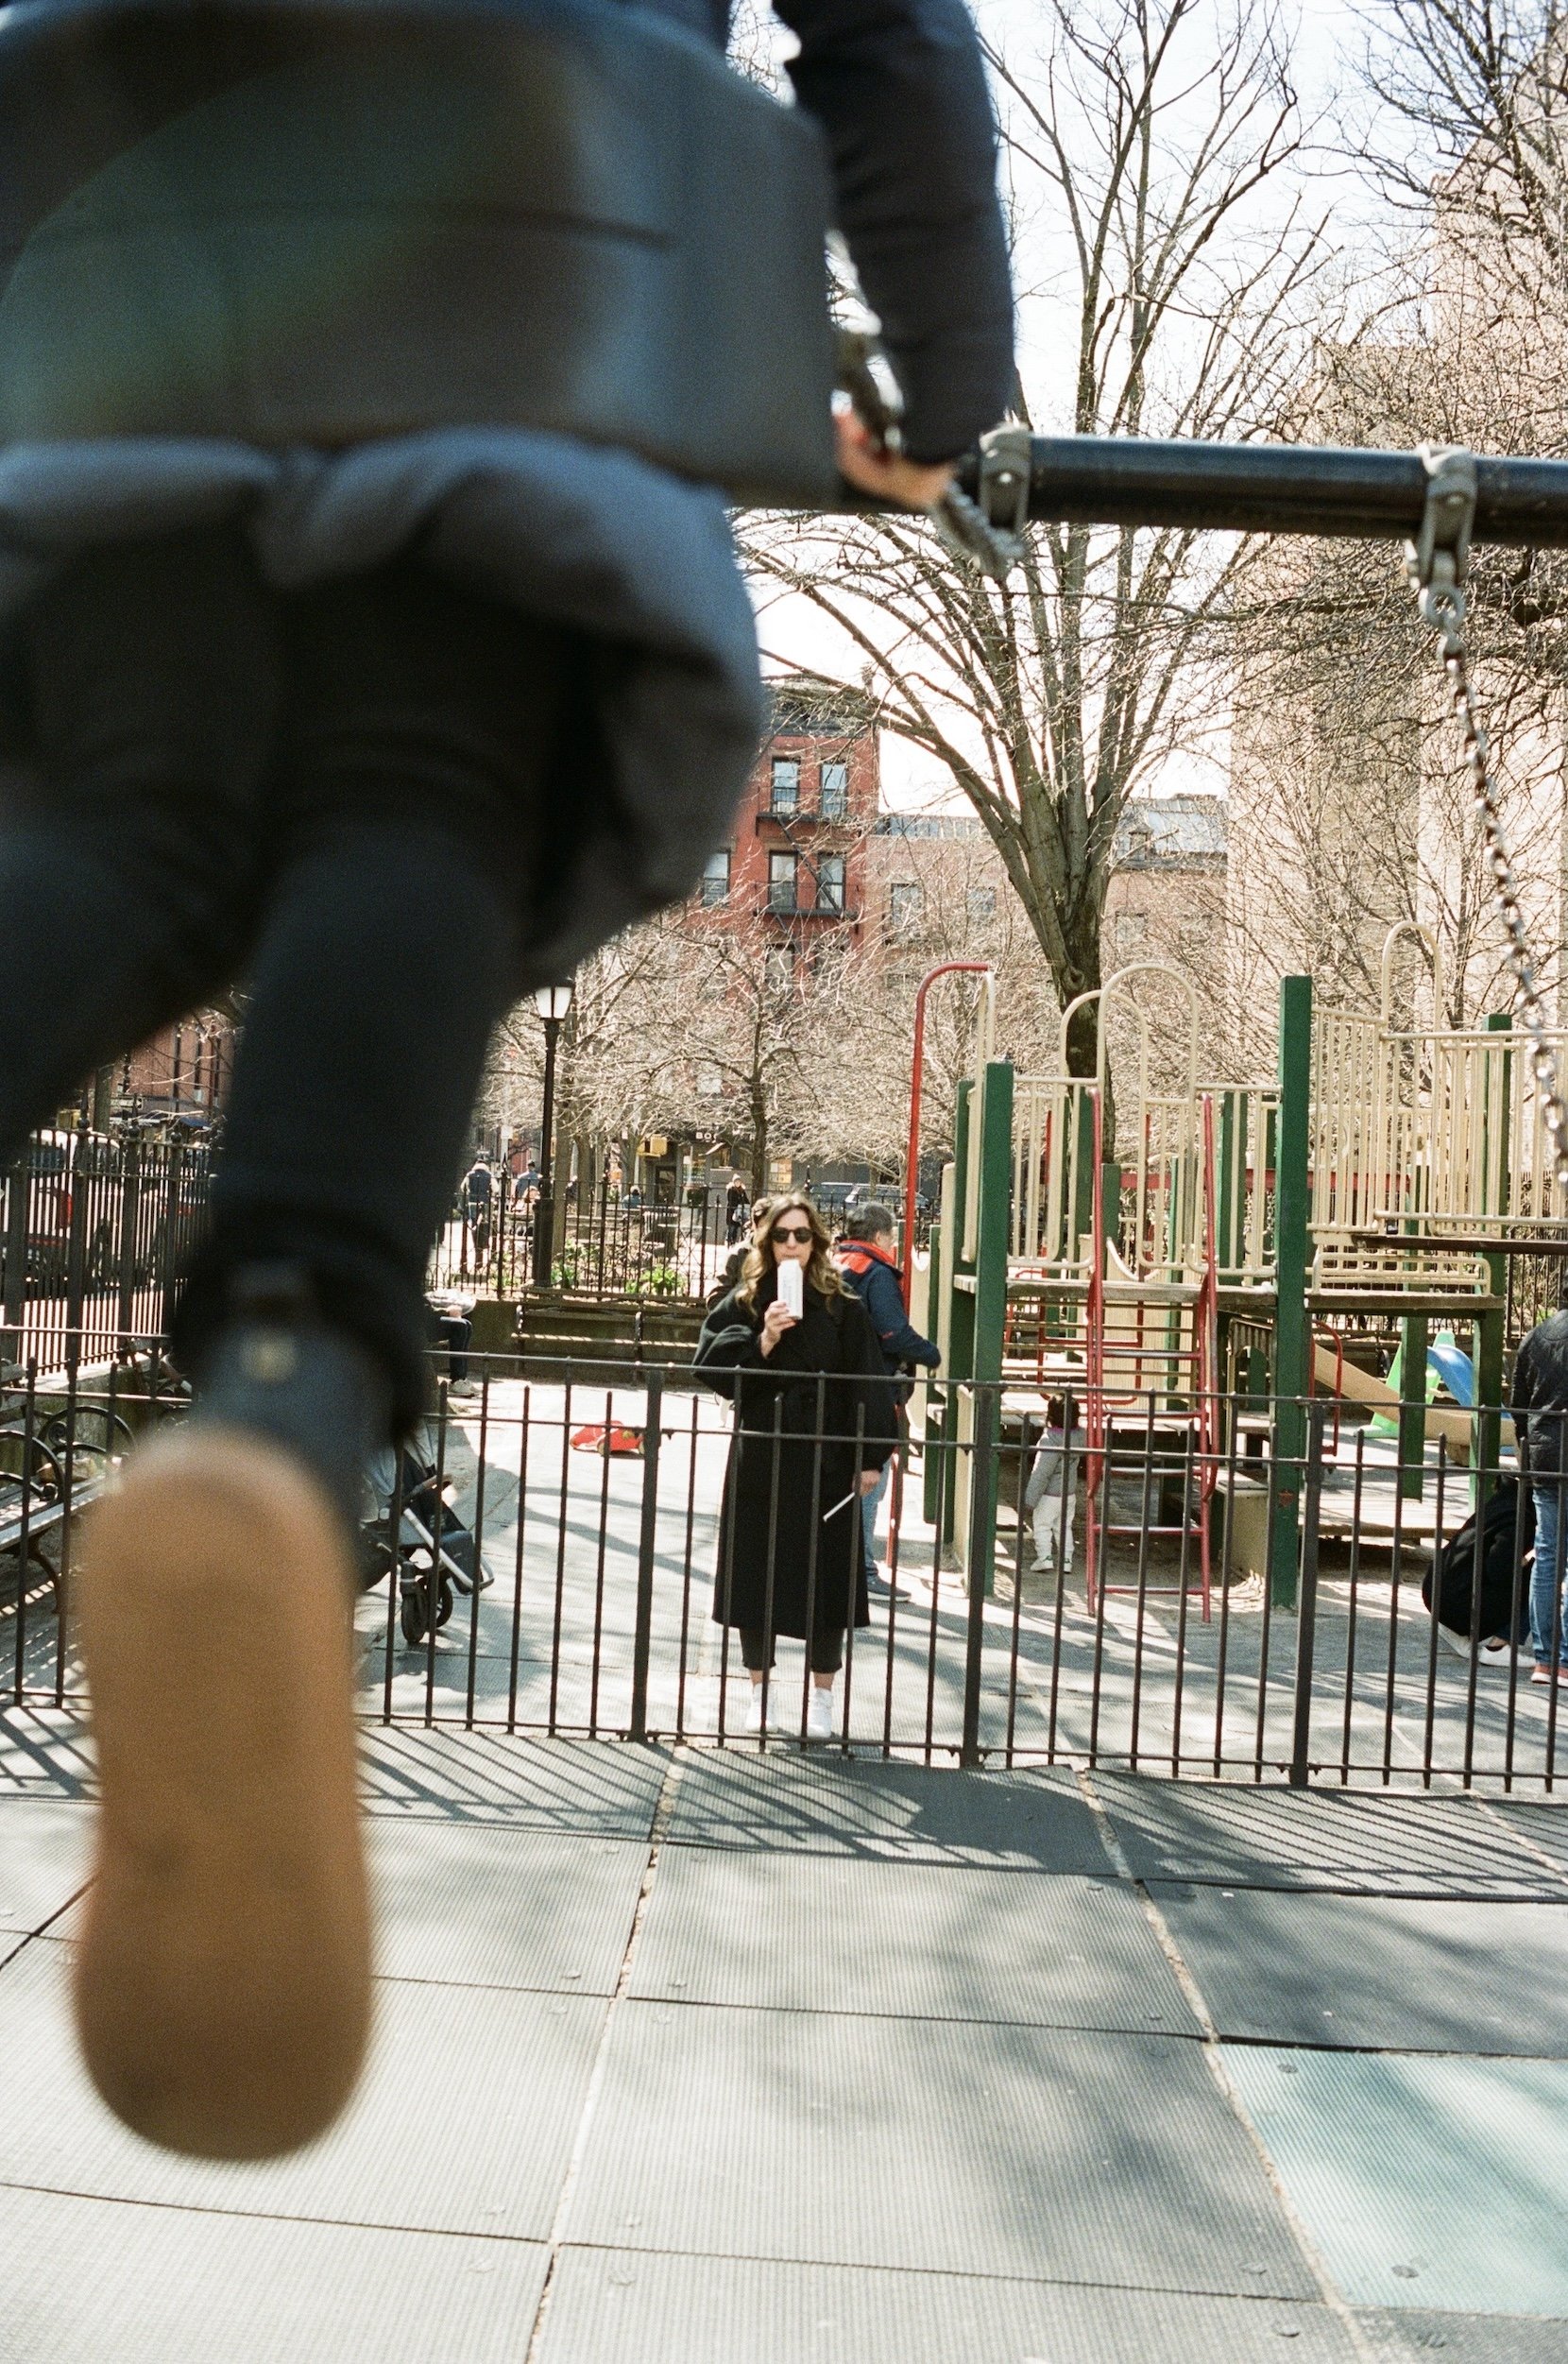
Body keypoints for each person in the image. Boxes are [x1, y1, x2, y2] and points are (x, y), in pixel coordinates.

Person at [17, 0, 1010, 2161]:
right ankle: (280, 1415)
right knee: (413, 805)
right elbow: (891, 42)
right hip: (510, 237)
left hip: (121, 233)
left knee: (125, 825)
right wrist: (939, 386)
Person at [696, 1194, 897, 1739]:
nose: (791, 1244)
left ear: (817, 1242)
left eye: (801, 1236)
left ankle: (822, 1698)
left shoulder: (843, 1303)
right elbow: (709, 1363)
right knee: (756, 1572)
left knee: (826, 1577)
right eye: (781, 1235)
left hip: (825, 1455)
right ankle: (759, 1693)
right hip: (764, 1449)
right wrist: (763, 1338)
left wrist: (871, 1456)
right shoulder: (746, 1298)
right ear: (766, 1241)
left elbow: (869, 1380)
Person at [834, 1204, 939, 1594]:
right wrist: (929, 1353)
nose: (893, 1245)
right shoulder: (877, 1273)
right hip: (874, 1387)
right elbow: (892, 1331)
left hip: (838, 1386)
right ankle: (863, 1570)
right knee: (871, 1481)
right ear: (880, 1237)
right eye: (892, 1238)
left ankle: (846, 1565)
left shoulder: (838, 1264)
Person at [1510, 1304, 1568, 1683]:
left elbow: (1518, 1402)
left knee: (1548, 1555)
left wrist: (1527, 1438)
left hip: (1546, 1454)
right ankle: (1566, 1660)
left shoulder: (1538, 1335)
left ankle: (1544, 1660)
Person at [1023, 1393, 1086, 1575]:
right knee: (1064, 1526)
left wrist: (1030, 1499)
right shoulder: (1079, 1437)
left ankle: (1045, 1558)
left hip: (1049, 1495)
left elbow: (1041, 1474)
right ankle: (1066, 1560)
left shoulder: (1050, 1440)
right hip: (1069, 1493)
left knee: (1042, 1525)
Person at [463, 1155, 495, 1261]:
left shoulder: (469, 1174)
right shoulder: (489, 1175)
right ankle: (483, 1246)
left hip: (472, 1202)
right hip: (485, 1202)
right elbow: (497, 1188)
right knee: (484, 1225)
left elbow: (463, 1187)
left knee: (474, 1224)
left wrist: (469, 1191)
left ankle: (477, 1247)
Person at [726, 1173, 752, 1243]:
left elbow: (746, 1199)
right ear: (734, 1182)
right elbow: (730, 1200)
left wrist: (747, 1205)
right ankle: (728, 1240)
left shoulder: (742, 1190)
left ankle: (733, 1241)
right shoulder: (730, 1190)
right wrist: (737, 1205)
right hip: (732, 1210)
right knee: (731, 1227)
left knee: (736, 1228)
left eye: (739, 1181)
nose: (738, 1183)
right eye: (736, 1181)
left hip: (740, 1211)